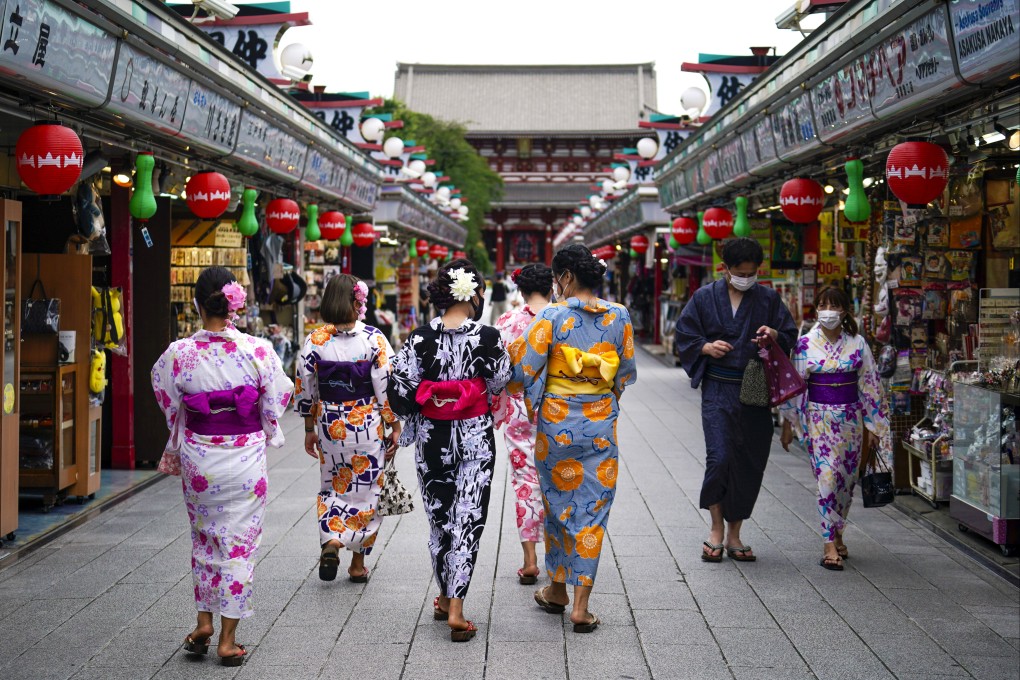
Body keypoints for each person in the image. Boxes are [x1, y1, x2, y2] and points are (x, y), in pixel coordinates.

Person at [151, 267, 293, 667]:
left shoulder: (178, 353)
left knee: (204, 539)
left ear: (198, 304)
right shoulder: (257, 350)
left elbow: (165, 395)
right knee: (239, 544)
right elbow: (279, 395)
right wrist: (260, 422)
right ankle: (228, 640)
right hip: (245, 458)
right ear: (234, 305)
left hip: (201, 459)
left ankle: (203, 623)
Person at [508, 244, 637, 634]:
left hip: (556, 424)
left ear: (566, 277)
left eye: (556, 278)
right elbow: (624, 373)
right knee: (592, 511)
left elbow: (522, 369)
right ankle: (579, 605)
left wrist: (538, 395)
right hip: (599, 424)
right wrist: (600, 398)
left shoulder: (552, 316)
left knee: (558, 504)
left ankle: (558, 589)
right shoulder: (620, 315)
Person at [387, 258, 511, 642]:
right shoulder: (489, 336)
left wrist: (427, 400)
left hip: (432, 437)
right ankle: (455, 608)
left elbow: (400, 393)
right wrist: (470, 390)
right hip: (474, 435)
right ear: (473, 295)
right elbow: (502, 379)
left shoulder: (419, 338)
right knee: (468, 515)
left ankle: (445, 597)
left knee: (440, 517)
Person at [675, 238, 797, 563]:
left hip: (755, 391)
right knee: (720, 456)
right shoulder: (703, 298)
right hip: (718, 388)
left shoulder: (769, 299)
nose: (746, 277)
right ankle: (715, 527)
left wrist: (774, 335)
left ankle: (735, 533)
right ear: (725, 268)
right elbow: (684, 335)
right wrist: (706, 347)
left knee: (749, 459)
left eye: (752, 272)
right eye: (740, 272)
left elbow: (790, 335)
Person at [294, 274, 401, 584]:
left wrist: (308, 425)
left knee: (333, 485)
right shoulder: (373, 338)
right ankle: (356, 564)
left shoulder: (315, 340)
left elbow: (305, 386)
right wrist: (393, 423)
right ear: (358, 302)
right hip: (365, 421)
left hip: (330, 423)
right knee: (367, 490)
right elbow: (385, 386)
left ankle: (331, 539)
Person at [780, 286, 889, 571]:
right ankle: (829, 542)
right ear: (816, 309)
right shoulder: (804, 344)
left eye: (834, 305)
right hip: (819, 420)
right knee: (827, 478)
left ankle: (838, 529)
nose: (828, 311)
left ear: (844, 311)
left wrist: (874, 425)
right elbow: (795, 388)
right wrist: (789, 424)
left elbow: (870, 384)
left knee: (845, 480)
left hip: (851, 420)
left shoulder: (857, 343)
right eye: (823, 305)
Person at [492, 264, 553, 585]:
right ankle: (558, 560)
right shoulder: (565, 319)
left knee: (525, 481)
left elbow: (498, 372)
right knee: (558, 480)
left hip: (520, 411)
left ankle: (530, 560)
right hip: (562, 410)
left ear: (521, 290)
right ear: (554, 285)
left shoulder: (508, 322)